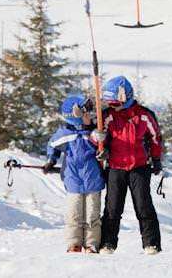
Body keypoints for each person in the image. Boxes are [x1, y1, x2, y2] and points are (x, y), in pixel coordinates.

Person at [99, 76, 162, 255]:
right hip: (115, 167)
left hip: (139, 166)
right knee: (112, 207)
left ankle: (151, 243)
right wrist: (99, 140)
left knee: (143, 205)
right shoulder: (107, 116)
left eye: (115, 103)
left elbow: (155, 138)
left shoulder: (144, 115)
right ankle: (107, 243)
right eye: (110, 104)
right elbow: (97, 138)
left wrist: (156, 159)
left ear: (126, 98)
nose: (112, 107)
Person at [43, 95, 105, 253]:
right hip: (73, 180)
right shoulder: (65, 134)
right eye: (85, 114)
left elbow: (105, 147)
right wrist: (51, 160)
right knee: (74, 214)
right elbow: (53, 145)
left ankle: (92, 243)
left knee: (92, 215)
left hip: (93, 179)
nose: (89, 116)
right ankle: (74, 243)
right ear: (75, 118)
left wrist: (104, 150)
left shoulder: (95, 132)